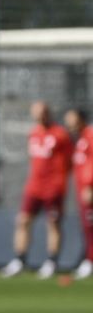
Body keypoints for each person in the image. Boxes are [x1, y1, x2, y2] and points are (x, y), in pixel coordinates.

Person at [1, 101, 73, 279]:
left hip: (53, 187)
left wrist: (59, 181)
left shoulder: (60, 134)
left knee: (53, 223)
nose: (39, 116)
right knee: (23, 221)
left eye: (42, 112)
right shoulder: (33, 133)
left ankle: (52, 261)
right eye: (36, 112)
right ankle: (20, 259)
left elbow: (70, 161)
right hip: (34, 186)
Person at [65, 107, 93, 279]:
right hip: (81, 190)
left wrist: (90, 185)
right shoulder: (79, 139)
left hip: (89, 190)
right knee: (87, 227)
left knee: (90, 227)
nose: (69, 124)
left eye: (72, 119)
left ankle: (90, 261)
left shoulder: (90, 135)